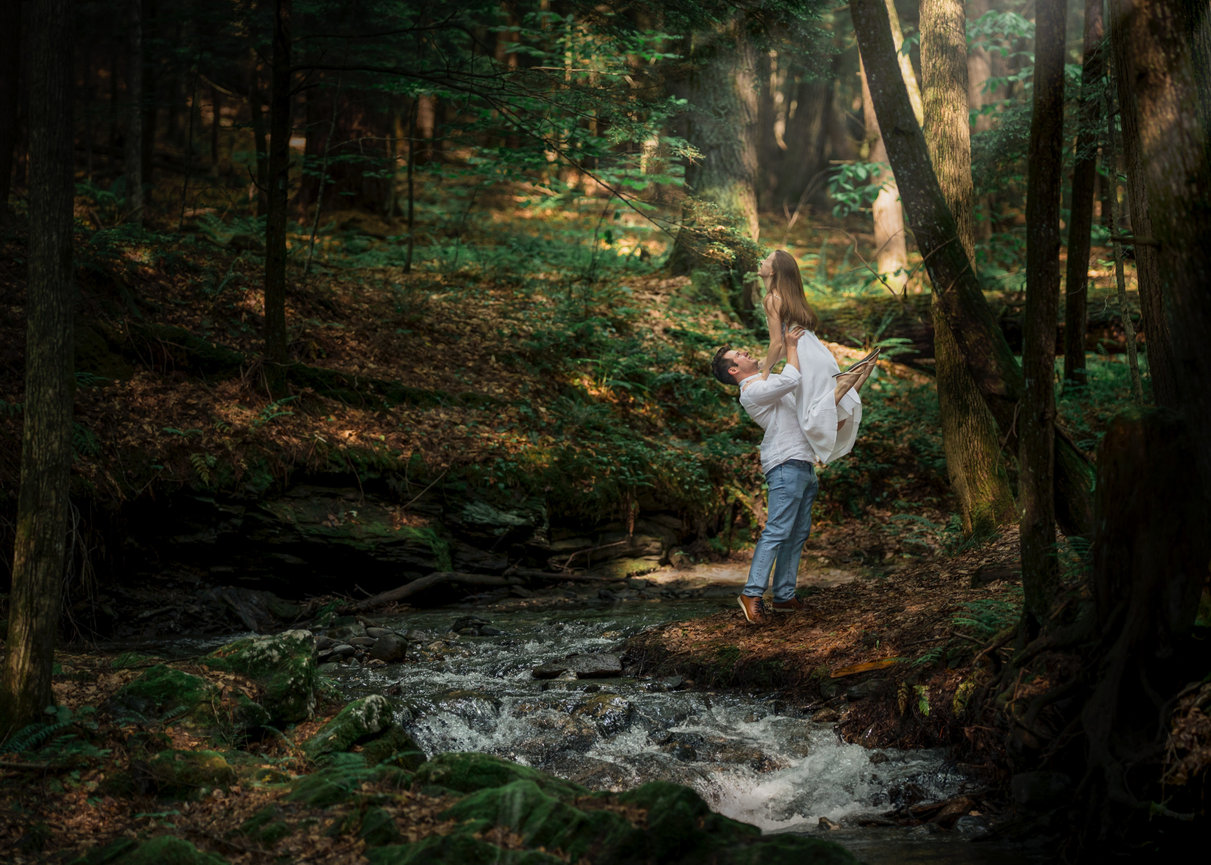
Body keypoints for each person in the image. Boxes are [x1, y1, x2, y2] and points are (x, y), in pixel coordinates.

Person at [711, 329, 817, 624]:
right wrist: (791, 344)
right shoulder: (752, 391)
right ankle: (751, 593)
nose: (745, 352)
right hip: (785, 464)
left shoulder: (765, 383)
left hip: (803, 462)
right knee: (777, 531)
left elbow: (796, 380)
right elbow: (793, 377)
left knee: (796, 534)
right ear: (734, 370)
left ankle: (784, 597)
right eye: (738, 355)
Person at [755, 249, 878, 466]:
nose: (761, 261)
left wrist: (764, 376)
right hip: (820, 356)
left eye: (767, 260)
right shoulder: (789, 298)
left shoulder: (771, 299)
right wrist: (764, 363)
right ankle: (852, 384)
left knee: (810, 419)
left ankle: (847, 386)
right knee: (821, 412)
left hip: (804, 359)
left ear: (773, 271)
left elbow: (776, 343)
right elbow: (782, 346)